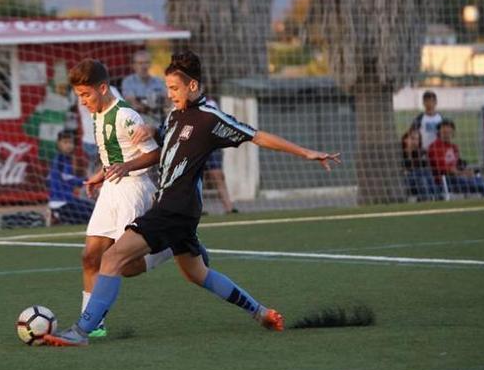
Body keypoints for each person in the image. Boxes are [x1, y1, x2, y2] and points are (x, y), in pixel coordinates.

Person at [43, 51, 341, 347]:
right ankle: (260, 312)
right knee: (198, 274)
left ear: (193, 86)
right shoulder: (174, 115)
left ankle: (81, 332)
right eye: (167, 88)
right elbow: (169, 137)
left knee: (112, 258)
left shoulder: (211, 119)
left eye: (174, 88)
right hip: (177, 212)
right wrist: (152, 131)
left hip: (175, 208)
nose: (169, 94)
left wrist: (306, 153)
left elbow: (257, 136)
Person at [69, 58, 174, 338]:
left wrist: (125, 167)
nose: (82, 101)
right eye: (79, 95)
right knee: (90, 257)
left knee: (123, 265)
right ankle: (94, 323)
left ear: (103, 88)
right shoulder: (97, 113)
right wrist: (100, 175)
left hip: (134, 189)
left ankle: (165, 250)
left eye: (85, 95)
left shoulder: (126, 116)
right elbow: (115, 157)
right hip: (111, 188)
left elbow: (154, 154)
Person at [428, 119, 484, 198]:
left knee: (483, 180)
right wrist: (463, 173)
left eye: (449, 133)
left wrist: (467, 171)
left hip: (458, 176)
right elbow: (445, 169)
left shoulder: (454, 147)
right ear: (439, 133)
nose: (447, 135)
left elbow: (457, 165)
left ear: (453, 133)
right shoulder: (435, 147)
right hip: (446, 181)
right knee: (480, 185)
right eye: (444, 133)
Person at [48, 130, 95, 225]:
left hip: (70, 200)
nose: (69, 145)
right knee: (92, 216)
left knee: (94, 210)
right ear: (58, 144)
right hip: (61, 202)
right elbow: (68, 179)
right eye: (65, 142)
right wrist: (87, 180)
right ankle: (56, 215)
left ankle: (59, 216)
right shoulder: (60, 159)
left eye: (70, 142)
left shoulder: (66, 158)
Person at [202, 96, 237, 214]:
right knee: (195, 177)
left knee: (218, 175)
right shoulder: (184, 105)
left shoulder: (211, 103)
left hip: (212, 144)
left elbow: (217, 122)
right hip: (196, 144)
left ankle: (229, 207)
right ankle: (197, 209)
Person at [121, 50, 168, 126]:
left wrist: (142, 103)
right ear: (134, 65)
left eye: (146, 62)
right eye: (140, 63)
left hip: (157, 124)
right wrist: (155, 104)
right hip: (136, 124)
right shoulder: (128, 82)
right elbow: (133, 103)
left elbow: (167, 102)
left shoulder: (159, 82)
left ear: (150, 64)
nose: (144, 66)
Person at [401, 127, 440, 201]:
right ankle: (438, 197)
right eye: (412, 138)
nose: (415, 141)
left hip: (418, 183)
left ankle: (427, 201)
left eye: (417, 139)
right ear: (405, 139)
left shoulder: (421, 153)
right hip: (405, 182)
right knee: (422, 172)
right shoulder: (398, 153)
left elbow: (425, 168)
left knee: (422, 179)